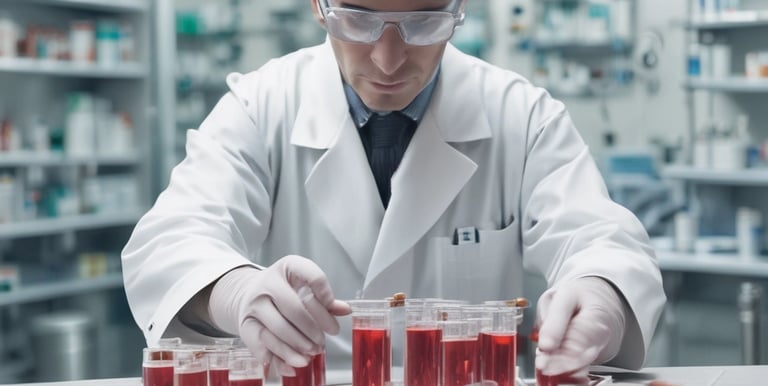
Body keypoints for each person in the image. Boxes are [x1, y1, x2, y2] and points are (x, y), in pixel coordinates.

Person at [122, 0, 666, 380]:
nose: (387, 58)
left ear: (459, 9)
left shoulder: (521, 116)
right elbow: (170, 241)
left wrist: (602, 298)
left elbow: (602, 239)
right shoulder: (260, 107)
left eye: (424, 21)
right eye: (357, 18)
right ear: (319, 5)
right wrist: (234, 290)